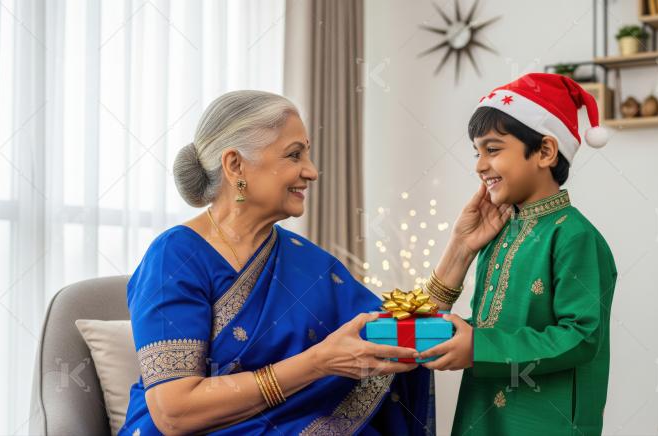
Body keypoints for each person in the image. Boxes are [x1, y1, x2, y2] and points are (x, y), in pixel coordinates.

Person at [119, 90, 432, 435]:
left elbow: (386, 335)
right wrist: (316, 363)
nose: (311, 172)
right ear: (235, 165)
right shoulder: (175, 256)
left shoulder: (304, 259)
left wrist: (460, 253)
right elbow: (174, 412)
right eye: (294, 155)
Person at [418, 73, 618, 435]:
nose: (480, 165)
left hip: (544, 421)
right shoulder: (499, 231)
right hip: (483, 410)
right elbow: (498, 322)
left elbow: (581, 336)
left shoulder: (576, 236)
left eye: (492, 150)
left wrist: (478, 346)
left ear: (544, 151)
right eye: (477, 152)